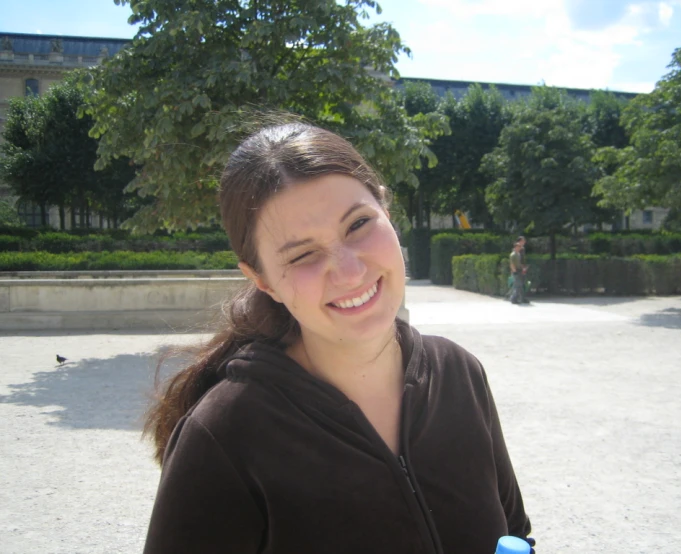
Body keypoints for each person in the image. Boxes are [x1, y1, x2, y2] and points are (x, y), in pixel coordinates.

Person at [142, 122, 534, 553]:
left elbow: (514, 535)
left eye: (359, 224)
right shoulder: (222, 436)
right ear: (262, 280)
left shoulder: (460, 373)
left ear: (387, 210)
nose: (350, 272)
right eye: (303, 254)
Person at [509, 236, 529, 305]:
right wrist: (514, 270)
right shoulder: (514, 253)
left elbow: (521, 260)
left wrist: (524, 267)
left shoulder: (520, 251)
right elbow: (512, 263)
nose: (524, 242)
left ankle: (520, 298)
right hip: (517, 270)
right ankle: (514, 298)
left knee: (521, 284)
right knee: (518, 284)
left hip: (521, 269)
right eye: (523, 241)